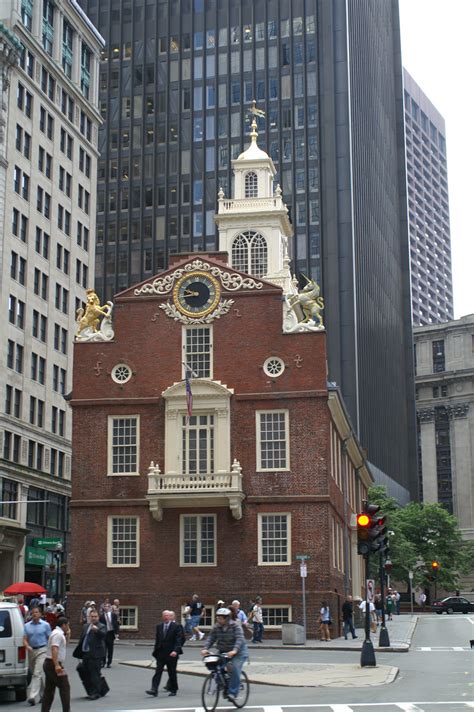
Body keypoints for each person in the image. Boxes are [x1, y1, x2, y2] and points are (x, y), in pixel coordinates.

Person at [201, 607, 247, 703]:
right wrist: (205, 648)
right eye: (218, 617)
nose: (218, 619)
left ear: (227, 618)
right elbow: (211, 638)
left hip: (238, 652)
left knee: (235, 668)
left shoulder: (235, 626)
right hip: (223, 650)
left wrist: (234, 650)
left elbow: (239, 639)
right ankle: (222, 684)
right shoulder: (216, 627)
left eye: (221, 618)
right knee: (215, 666)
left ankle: (232, 693)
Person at [146, 609, 184, 698]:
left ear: (171, 617)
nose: (167, 617)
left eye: (168, 615)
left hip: (171, 653)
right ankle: (154, 689)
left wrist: (176, 650)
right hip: (161, 654)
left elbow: (179, 640)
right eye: (165, 615)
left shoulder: (176, 626)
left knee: (172, 672)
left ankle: (173, 689)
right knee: (158, 672)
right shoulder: (159, 626)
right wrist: (155, 652)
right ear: (163, 617)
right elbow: (158, 640)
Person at [41, 616, 70, 712]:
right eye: (68, 625)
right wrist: (57, 665)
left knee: (49, 690)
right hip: (53, 663)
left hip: (49, 663)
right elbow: (55, 648)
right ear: (64, 625)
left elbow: (62, 646)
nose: (68, 627)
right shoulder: (58, 634)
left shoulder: (57, 633)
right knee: (65, 687)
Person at [23, 605, 52, 705]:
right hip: (31, 651)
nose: (34, 614)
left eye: (36, 612)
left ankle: (32, 696)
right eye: (33, 612)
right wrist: (27, 646)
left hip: (42, 650)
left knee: (37, 673)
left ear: (40, 614)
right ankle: (43, 695)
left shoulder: (45, 625)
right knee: (35, 673)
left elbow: (50, 638)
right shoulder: (27, 626)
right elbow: (25, 639)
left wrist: (51, 652)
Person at [78, 608, 106, 700]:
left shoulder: (101, 626)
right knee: (87, 673)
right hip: (86, 654)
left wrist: (97, 630)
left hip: (96, 655)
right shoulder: (86, 626)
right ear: (89, 617)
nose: (93, 618)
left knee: (95, 674)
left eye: (95, 616)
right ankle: (92, 691)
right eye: (92, 616)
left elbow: (103, 635)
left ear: (98, 617)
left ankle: (96, 693)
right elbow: (82, 639)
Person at [100, 602, 120, 668]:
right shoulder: (102, 616)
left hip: (111, 633)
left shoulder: (113, 615)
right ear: (104, 608)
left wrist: (116, 633)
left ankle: (109, 663)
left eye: (108, 606)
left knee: (110, 649)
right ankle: (103, 662)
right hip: (104, 633)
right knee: (103, 649)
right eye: (105, 606)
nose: (106, 607)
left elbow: (116, 624)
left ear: (110, 608)